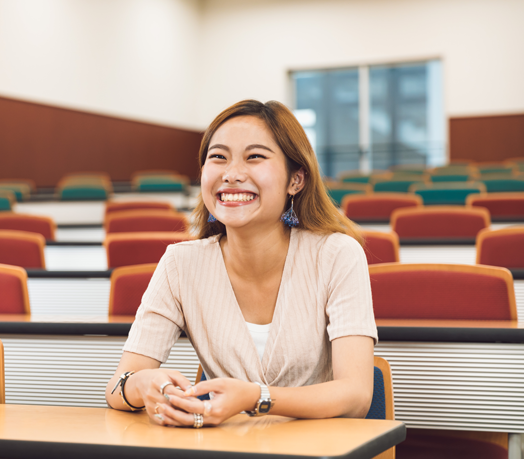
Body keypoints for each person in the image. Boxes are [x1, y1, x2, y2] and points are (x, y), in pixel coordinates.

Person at [105, 99, 377, 428]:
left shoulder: (337, 255)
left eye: (255, 157)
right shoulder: (180, 264)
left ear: (296, 179)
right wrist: (142, 387)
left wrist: (255, 398)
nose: (231, 174)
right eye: (218, 157)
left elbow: (357, 396)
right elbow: (118, 387)